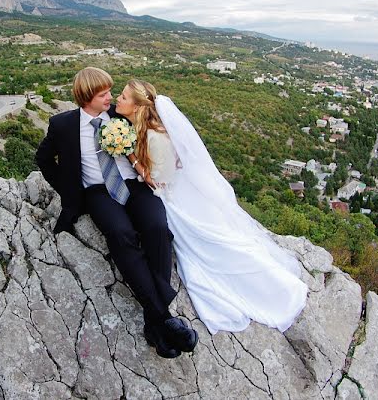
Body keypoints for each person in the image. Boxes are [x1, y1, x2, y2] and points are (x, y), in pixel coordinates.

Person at [115, 79, 308, 334]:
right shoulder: (143, 128)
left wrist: (131, 157)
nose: (119, 98)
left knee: (210, 245)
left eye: (124, 97)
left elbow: (159, 180)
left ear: (138, 108)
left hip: (172, 196)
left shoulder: (156, 136)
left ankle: (275, 288)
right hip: (171, 190)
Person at [35, 67, 198, 358]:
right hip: (97, 191)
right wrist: (69, 190)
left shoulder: (120, 116)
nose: (111, 97)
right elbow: (43, 159)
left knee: (158, 229)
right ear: (87, 97)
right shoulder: (62, 125)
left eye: (111, 92)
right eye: (104, 94)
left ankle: (155, 324)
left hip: (134, 185)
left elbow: (153, 131)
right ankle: (164, 318)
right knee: (121, 234)